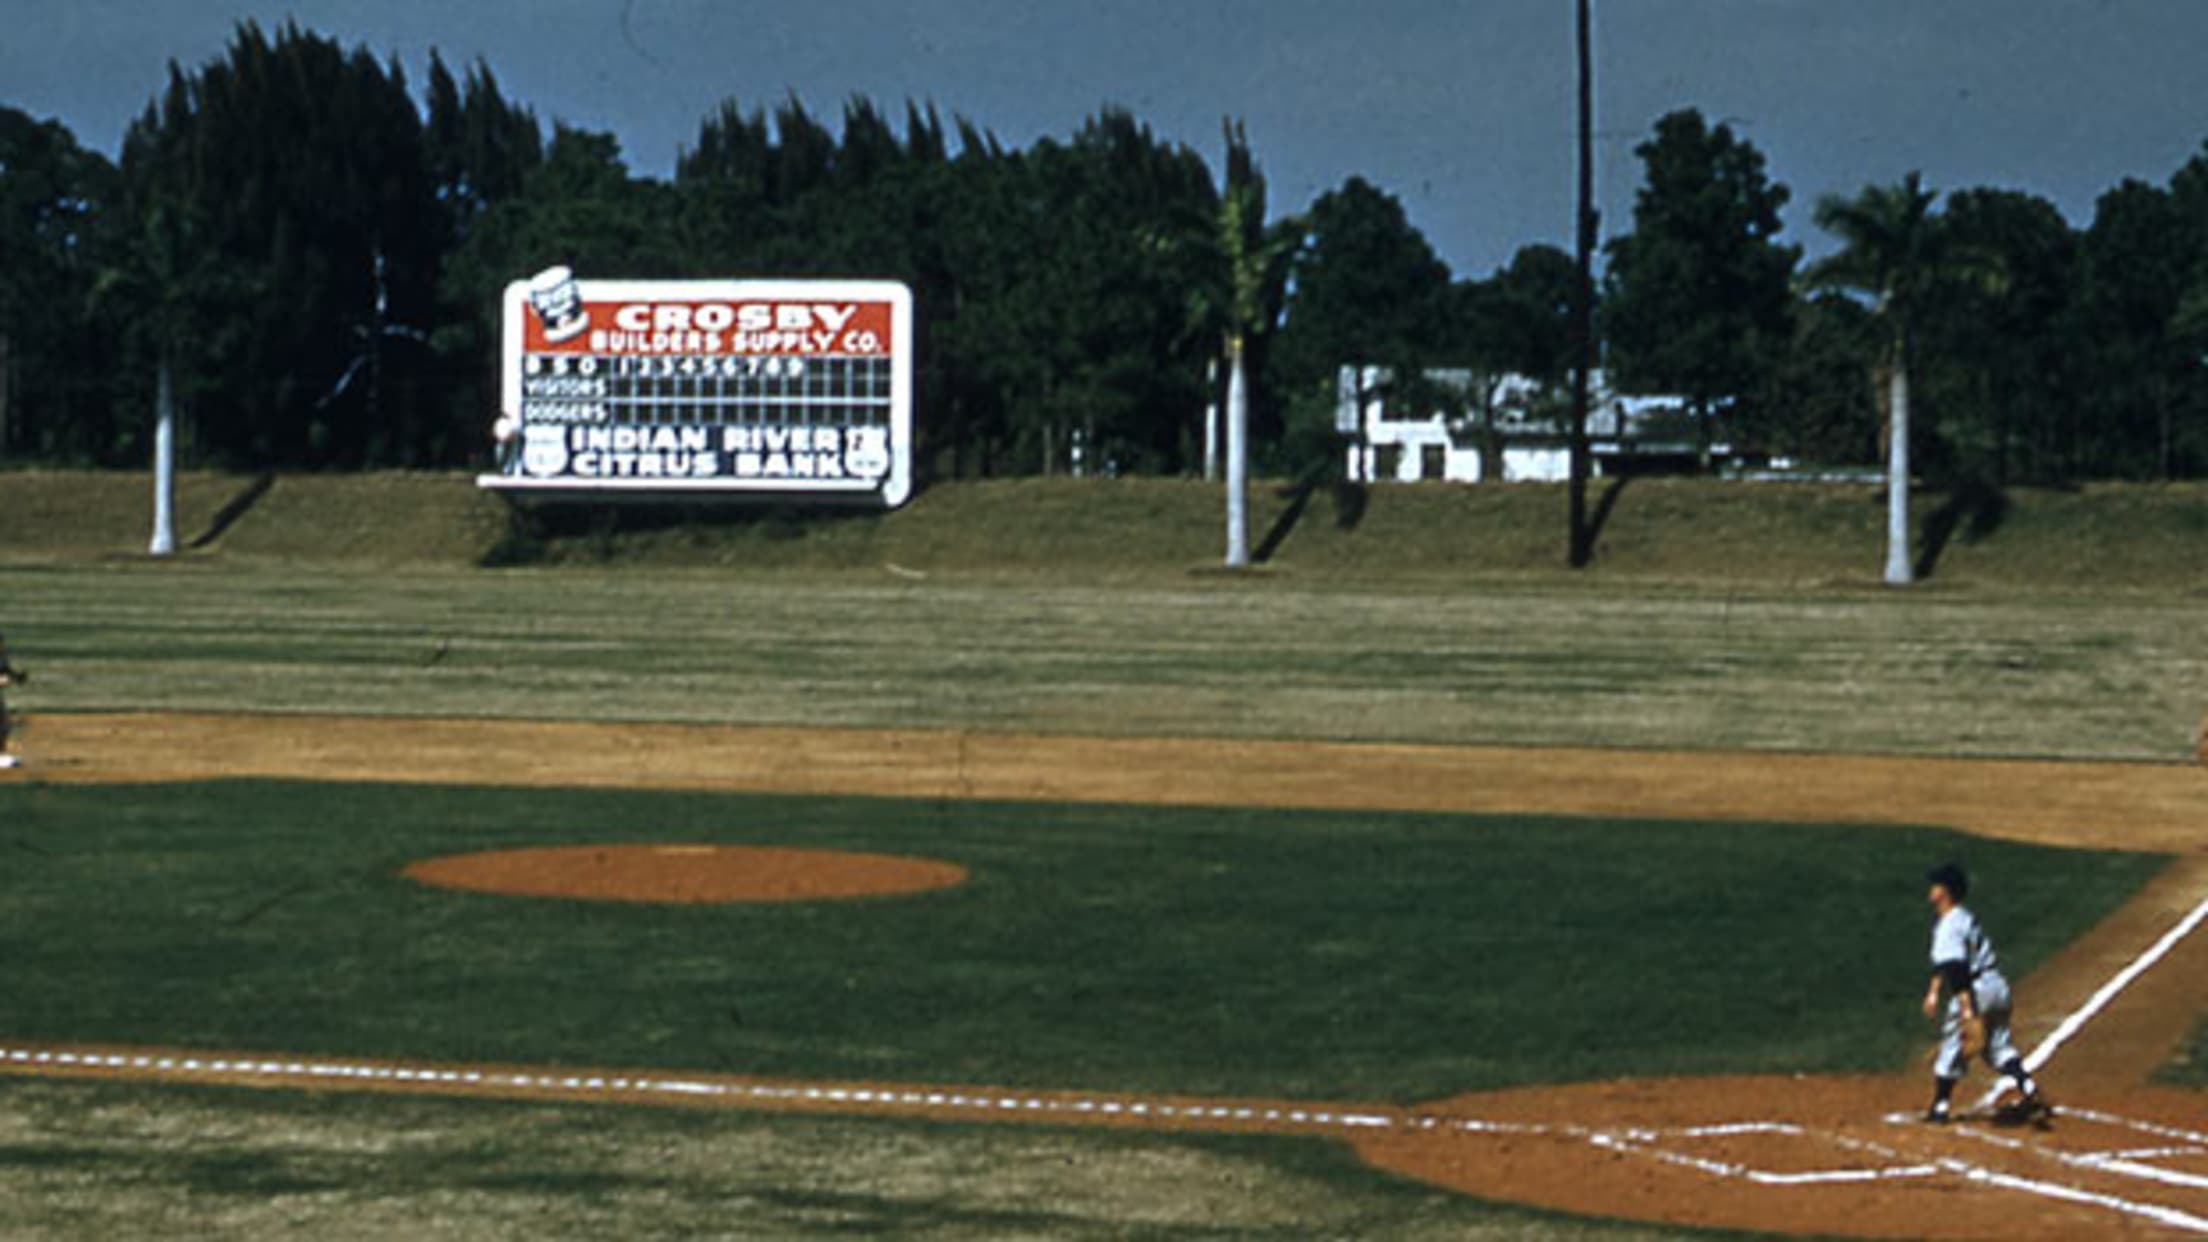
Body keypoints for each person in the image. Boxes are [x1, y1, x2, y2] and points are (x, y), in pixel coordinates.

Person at [1920, 862, 2046, 1123]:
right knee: (1997, 1045)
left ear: (1944, 892)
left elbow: (1956, 969)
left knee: (1953, 1046)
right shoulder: (1963, 917)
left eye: (1935, 885)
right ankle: (2026, 1084)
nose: (1930, 890)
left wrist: (1967, 1009)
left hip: (1974, 991)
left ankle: (1940, 1107)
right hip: (1997, 987)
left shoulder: (1948, 927)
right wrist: (1933, 991)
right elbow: (1945, 963)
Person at [0, 632, 22, 769]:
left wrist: (16, 676)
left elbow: (5, 670)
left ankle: (1, 755)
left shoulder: (2, 655)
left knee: (4, 724)